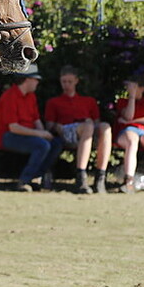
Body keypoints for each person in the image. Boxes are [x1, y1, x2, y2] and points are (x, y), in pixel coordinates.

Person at [0, 64, 64, 191]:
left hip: (27, 135)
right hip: (7, 136)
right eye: (36, 79)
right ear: (28, 79)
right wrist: (41, 135)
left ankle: (37, 177)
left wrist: (45, 134)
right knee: (42, 145)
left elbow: (36, 120)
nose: (37, 82)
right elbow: (14, 127)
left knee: (55, 143)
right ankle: (24, 181)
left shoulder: (31, 96)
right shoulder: (10, 96)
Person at [44, 65, 111, 193]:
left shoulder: (89, 101)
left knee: (105, 127)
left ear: (76, 81)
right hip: (66, 131)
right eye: (64, 82)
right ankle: (81, 178)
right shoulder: (54, 102)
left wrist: (90, 123)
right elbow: (49, 127)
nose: (66, 85)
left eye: (69, 81)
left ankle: (100, 178)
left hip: (88, 131)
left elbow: (97, 123)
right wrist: (57, 126)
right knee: (88, 126)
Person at [114, 73, 144, 193]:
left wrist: (132, 121)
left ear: (141, 88)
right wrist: (131, 97)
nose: (130, 89)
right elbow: (128, 115)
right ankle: (129, 181)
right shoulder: (123, 101)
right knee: (132, 140)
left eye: (134, 87)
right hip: (128, 131)